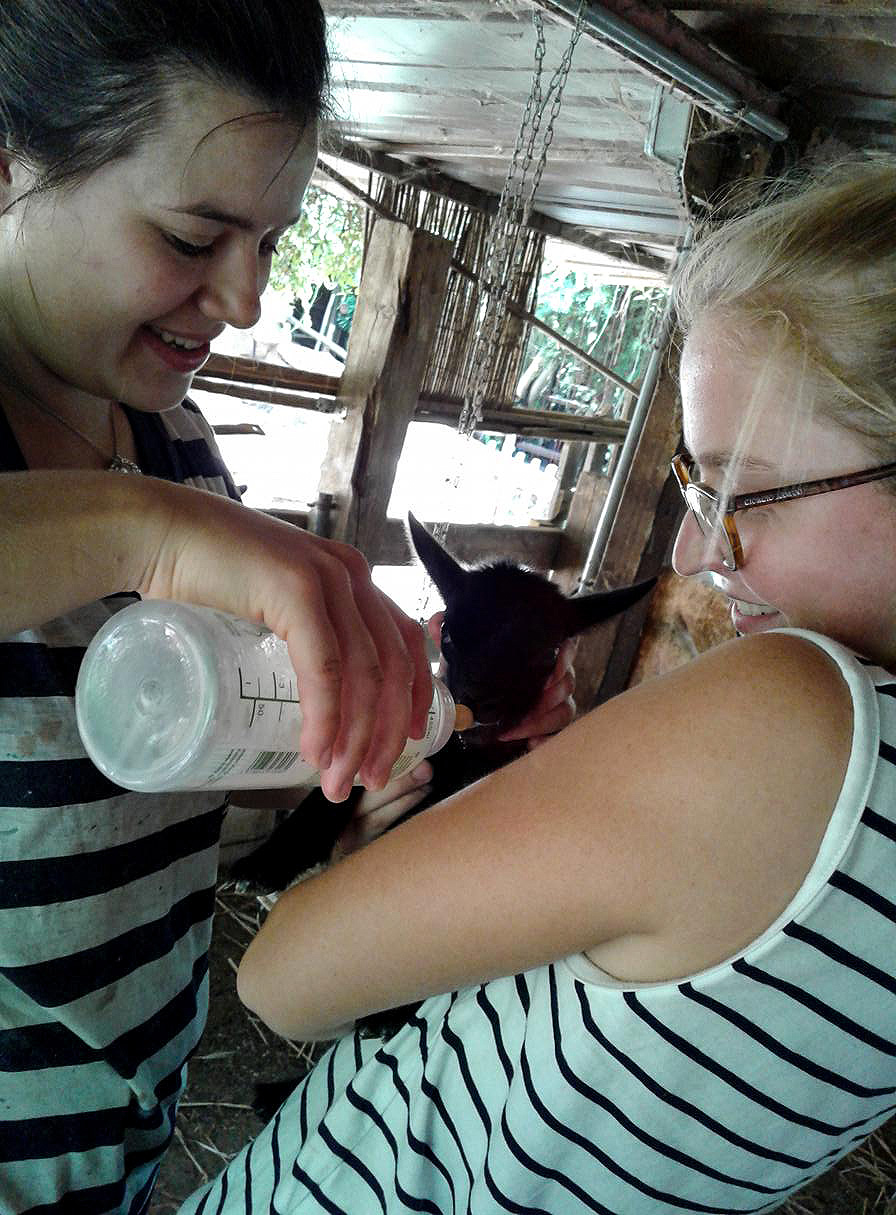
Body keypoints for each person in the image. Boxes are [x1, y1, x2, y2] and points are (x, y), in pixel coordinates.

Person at [179, 160, 896, 1215]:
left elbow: (275, 980)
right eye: (695, 489)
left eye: (748, 494)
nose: (696, 550)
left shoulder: (792, 717)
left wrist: (360, 860)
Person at [0, 3, 574, 1211]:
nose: (249, 301)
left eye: (269, 240)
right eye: (193, 235)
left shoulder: (169, 436)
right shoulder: (159, 499)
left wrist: (356, 756)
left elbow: (188, 781)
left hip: (125, 1123)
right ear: (8, 164)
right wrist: (147, 533)